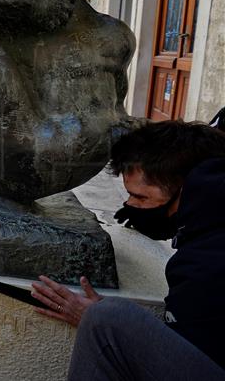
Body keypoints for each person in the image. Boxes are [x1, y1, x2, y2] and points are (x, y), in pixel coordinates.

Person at [30, 120, 225, 379]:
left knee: (107, 319)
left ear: (187, 189)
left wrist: (97, 320)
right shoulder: (207, 227)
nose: (130, 205)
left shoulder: (210, 259)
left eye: (142, 197)